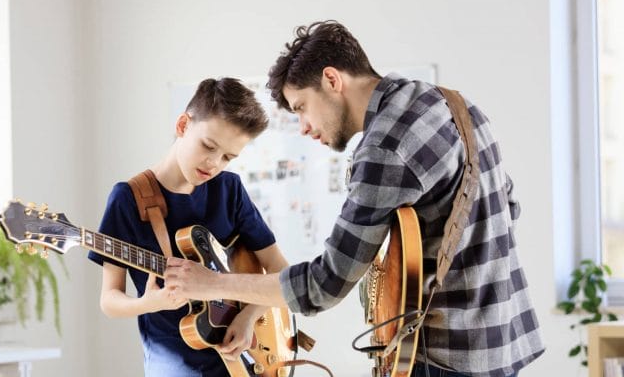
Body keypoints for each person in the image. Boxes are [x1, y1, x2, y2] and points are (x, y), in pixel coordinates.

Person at [164, 20, 544, 376]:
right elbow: (507, 205)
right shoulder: (455, 105)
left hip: (445, 359)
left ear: (332, 79)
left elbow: (323, 285)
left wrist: (210, 283)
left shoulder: (387, 146)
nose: (304, 128)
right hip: (504, 340)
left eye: (301, 108)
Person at [88, 77, 289, 376]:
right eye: (208, 146)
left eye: (228, 158)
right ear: (183, 125)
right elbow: (109, 300)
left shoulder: (229, 189)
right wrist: (149, 303)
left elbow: (281, 274)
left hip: (242, 359)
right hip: (172, 362)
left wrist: (248, 317)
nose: (214, 164)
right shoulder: (127, 199)